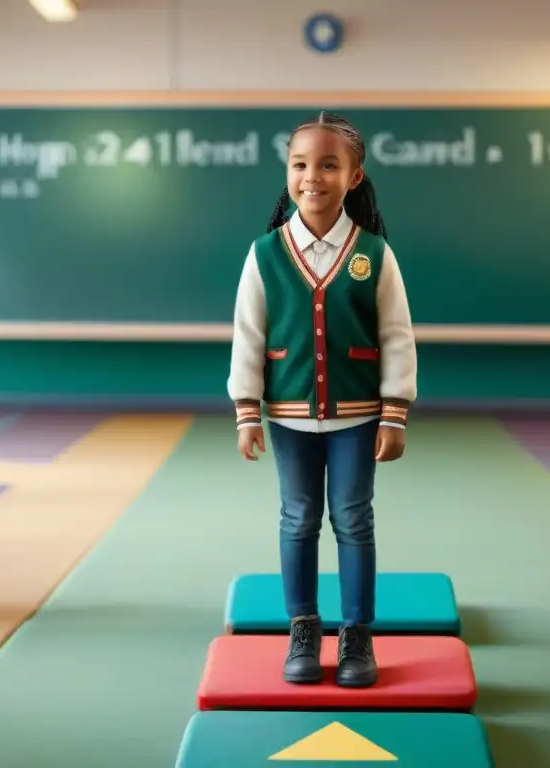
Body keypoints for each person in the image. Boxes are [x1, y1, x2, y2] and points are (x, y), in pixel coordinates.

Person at [227, 111, 418, 687]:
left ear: (354, 177)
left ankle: (357, 634)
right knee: (298, 518)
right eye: (301, 164)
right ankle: (303, 629)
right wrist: (246, 409)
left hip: (359, 416)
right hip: (287, 414)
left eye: (329, 165)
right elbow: (248, 334)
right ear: (288, 171)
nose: (314, 176)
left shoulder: (375, 255)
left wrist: (396, 411)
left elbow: (396, 334)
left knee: (355, 520)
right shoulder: (264, 253)